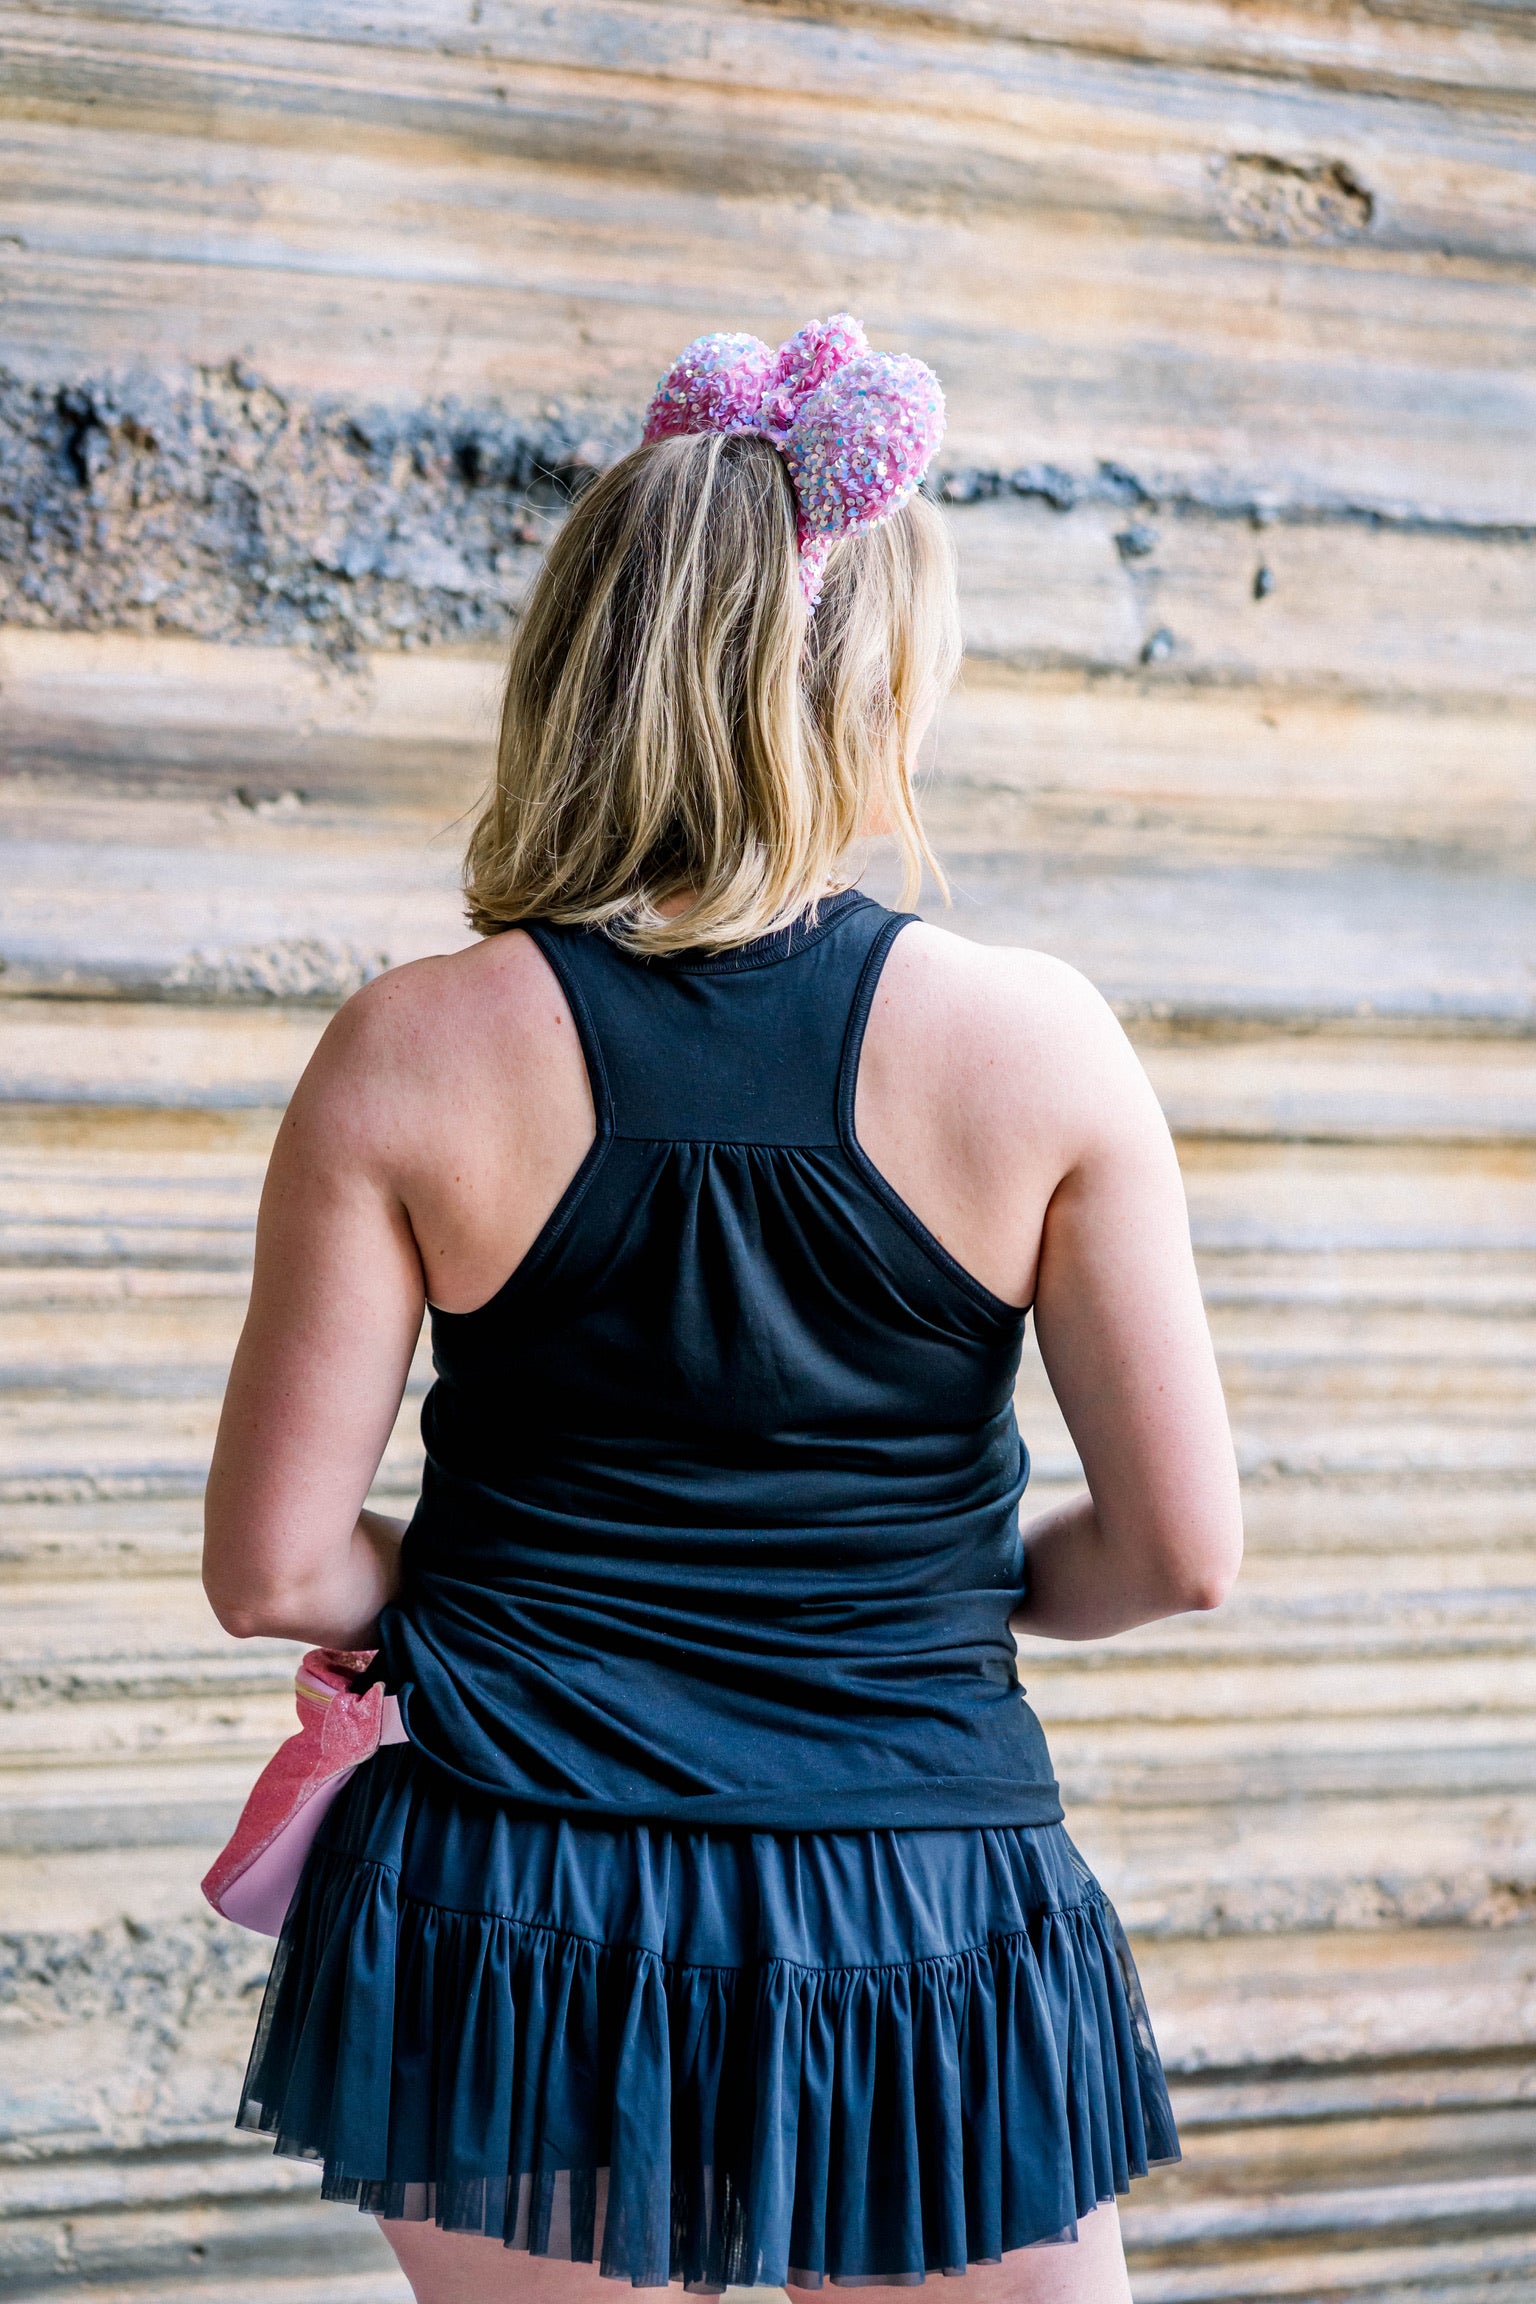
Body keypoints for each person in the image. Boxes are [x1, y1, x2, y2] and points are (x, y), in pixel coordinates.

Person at [203, 315, 1243, 2303]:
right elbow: (1179, 1554)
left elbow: (275, 1572)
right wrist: (921, 1583)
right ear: (874, 691)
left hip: (508, 1890)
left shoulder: (410, 1051)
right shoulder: (1037, 1046)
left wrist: (519, 1597)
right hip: (919, 1894)